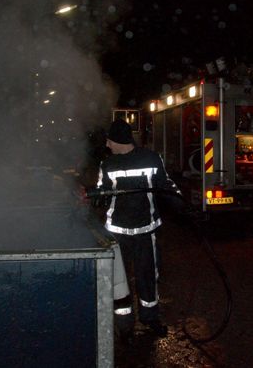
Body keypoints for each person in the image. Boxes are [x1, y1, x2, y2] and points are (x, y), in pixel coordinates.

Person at [95, 118, 180, 341]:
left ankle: (147, 319)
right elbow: (101, 192)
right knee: (126, 280)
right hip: (119, 233)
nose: (107, 145)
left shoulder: (116, 164)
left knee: (145, 276)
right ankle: (126, 325)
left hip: (144, 231)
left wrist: (182, 206)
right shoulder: (112, 163)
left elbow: (165, 186)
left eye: (109, 141)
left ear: (117, 140)